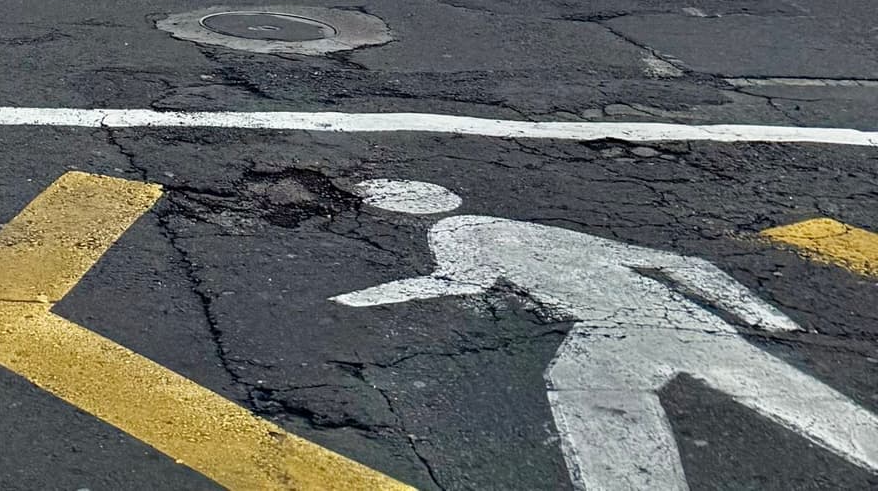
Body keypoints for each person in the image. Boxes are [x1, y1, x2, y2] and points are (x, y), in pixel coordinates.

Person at [336, 179, 878, 486]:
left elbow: (463, 279)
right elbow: (675, 260)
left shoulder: (462, 230)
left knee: (591, 390)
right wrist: (761, 316)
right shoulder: (502, 228)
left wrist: (365, 297)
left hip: (631, 324)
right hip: (664, 319)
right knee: (794, 398)